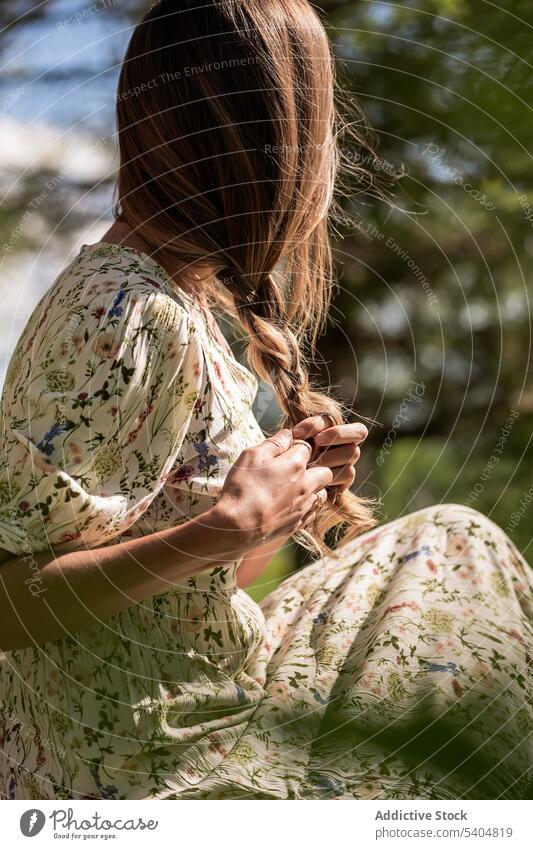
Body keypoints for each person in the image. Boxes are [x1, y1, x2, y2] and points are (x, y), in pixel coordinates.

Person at [0, 0, 531, 801]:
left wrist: (278, 501)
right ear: (268, 140)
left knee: (452, 541)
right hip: (151, 771)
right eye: (316, 123)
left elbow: (174, 599)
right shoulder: (122, 311)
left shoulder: (172, 306)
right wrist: (228, 525)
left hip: (193, 709)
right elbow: (11, 605)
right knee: (458, 554)